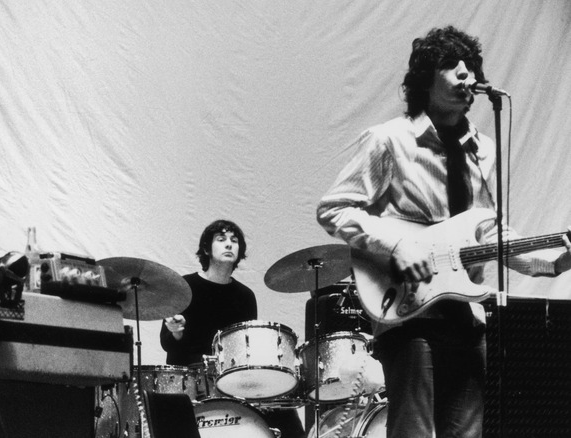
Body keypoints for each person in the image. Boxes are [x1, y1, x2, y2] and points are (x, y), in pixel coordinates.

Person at [316, 26, 571, 438]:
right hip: (409, 313)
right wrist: (397, 243)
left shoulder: (483, 150)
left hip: (467, 317)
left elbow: (490, 236)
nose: (466, 73)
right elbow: (335, 209)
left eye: (470, 65)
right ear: (425, 80)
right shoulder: (389, 141)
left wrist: (557, 260)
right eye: (452, 65)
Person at [160, 219, 305, 438]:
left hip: (231, 379)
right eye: (221, 239)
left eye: (234, 240)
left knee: (283, 408)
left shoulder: (244, 296)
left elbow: (246, 349)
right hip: (191, 378)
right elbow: (166, 343)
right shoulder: (185, 286)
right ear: (207, 249)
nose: (229, 244)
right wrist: (175, 330)